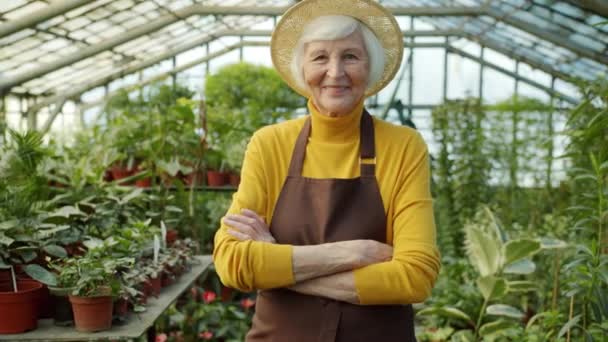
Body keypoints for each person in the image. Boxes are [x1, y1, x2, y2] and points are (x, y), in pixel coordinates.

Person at [213, 0, 440, 340]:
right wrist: (354, 253)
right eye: (320, 57)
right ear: (302, 67)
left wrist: (280, 266)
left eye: (350, 56)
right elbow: (232, 262)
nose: (335, 72)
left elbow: (415, 276)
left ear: (370, 66)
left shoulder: (403, 146)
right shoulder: (270, 144)